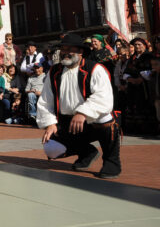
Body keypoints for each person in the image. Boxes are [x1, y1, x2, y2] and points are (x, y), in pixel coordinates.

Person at [38, 33, 121, 179]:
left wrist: (83, 113)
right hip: (68, 123)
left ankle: (111, 162)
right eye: (63, 49)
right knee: (51, 149)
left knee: (107, 119)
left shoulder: (95, 69)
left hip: (92, 121)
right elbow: (46, 101)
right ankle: (87, 153)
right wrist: (50, 123)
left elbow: (103, 97)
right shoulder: (54, 72)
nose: (65, 53)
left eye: (70, 49)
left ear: (81, 52)